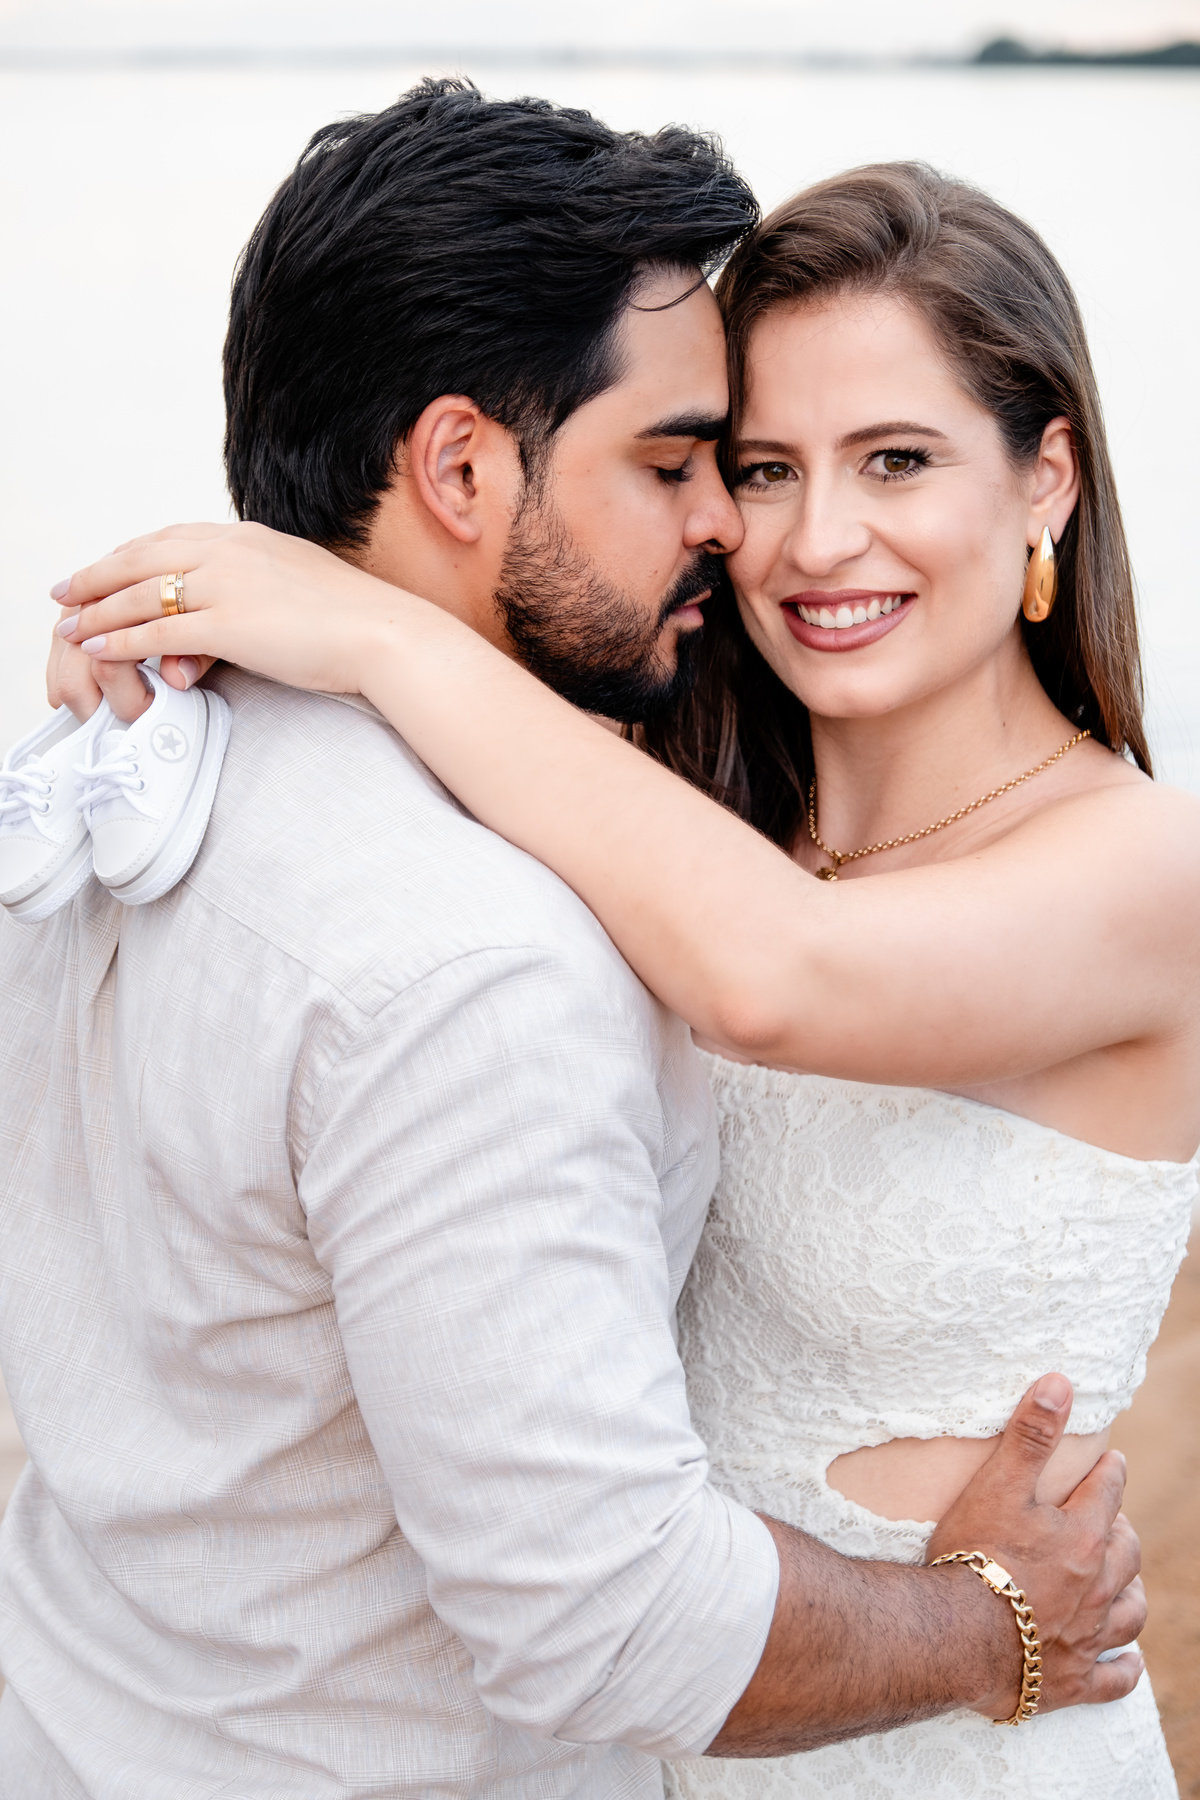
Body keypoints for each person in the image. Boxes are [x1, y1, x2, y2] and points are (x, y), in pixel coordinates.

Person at [55, 162, 1198, 1797]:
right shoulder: (689, 812)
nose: (812, 538)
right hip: (698, 1723)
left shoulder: (1148, 869)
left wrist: (372, 631)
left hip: (958, 1728)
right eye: (756, 467)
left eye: (897, 460)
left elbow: (779, 981)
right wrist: (170, 642)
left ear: (1048, 481)